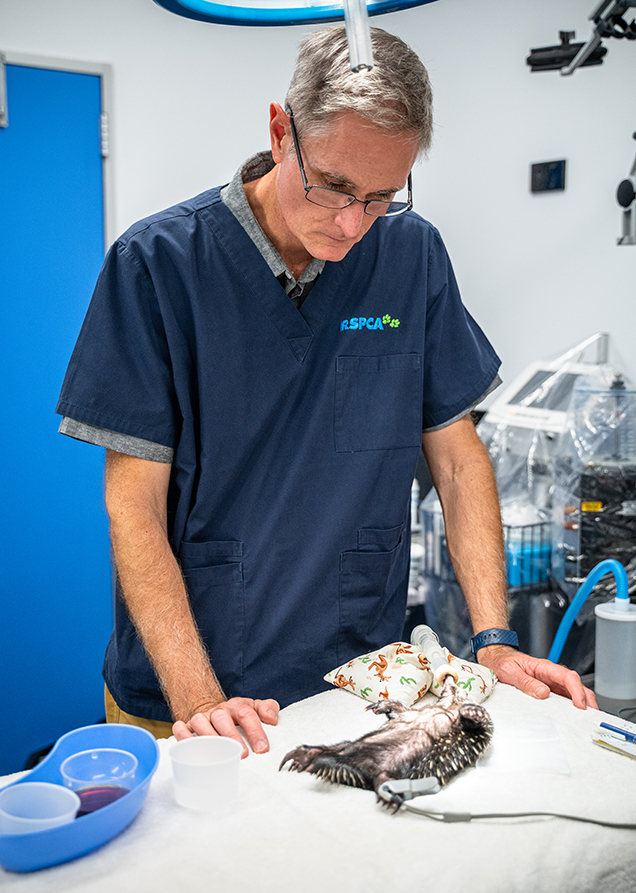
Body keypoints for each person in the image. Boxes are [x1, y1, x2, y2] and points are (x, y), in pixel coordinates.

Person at [57, 26, 596, 757]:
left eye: (380, 197)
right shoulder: (157, 265)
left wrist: (493, 641)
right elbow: (133, 505)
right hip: (190, 694)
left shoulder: (410, 254)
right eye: (335, 186)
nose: (351, 223)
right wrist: (201, 702)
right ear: (281, 133)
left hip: (357, 684)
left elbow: (458, 459)